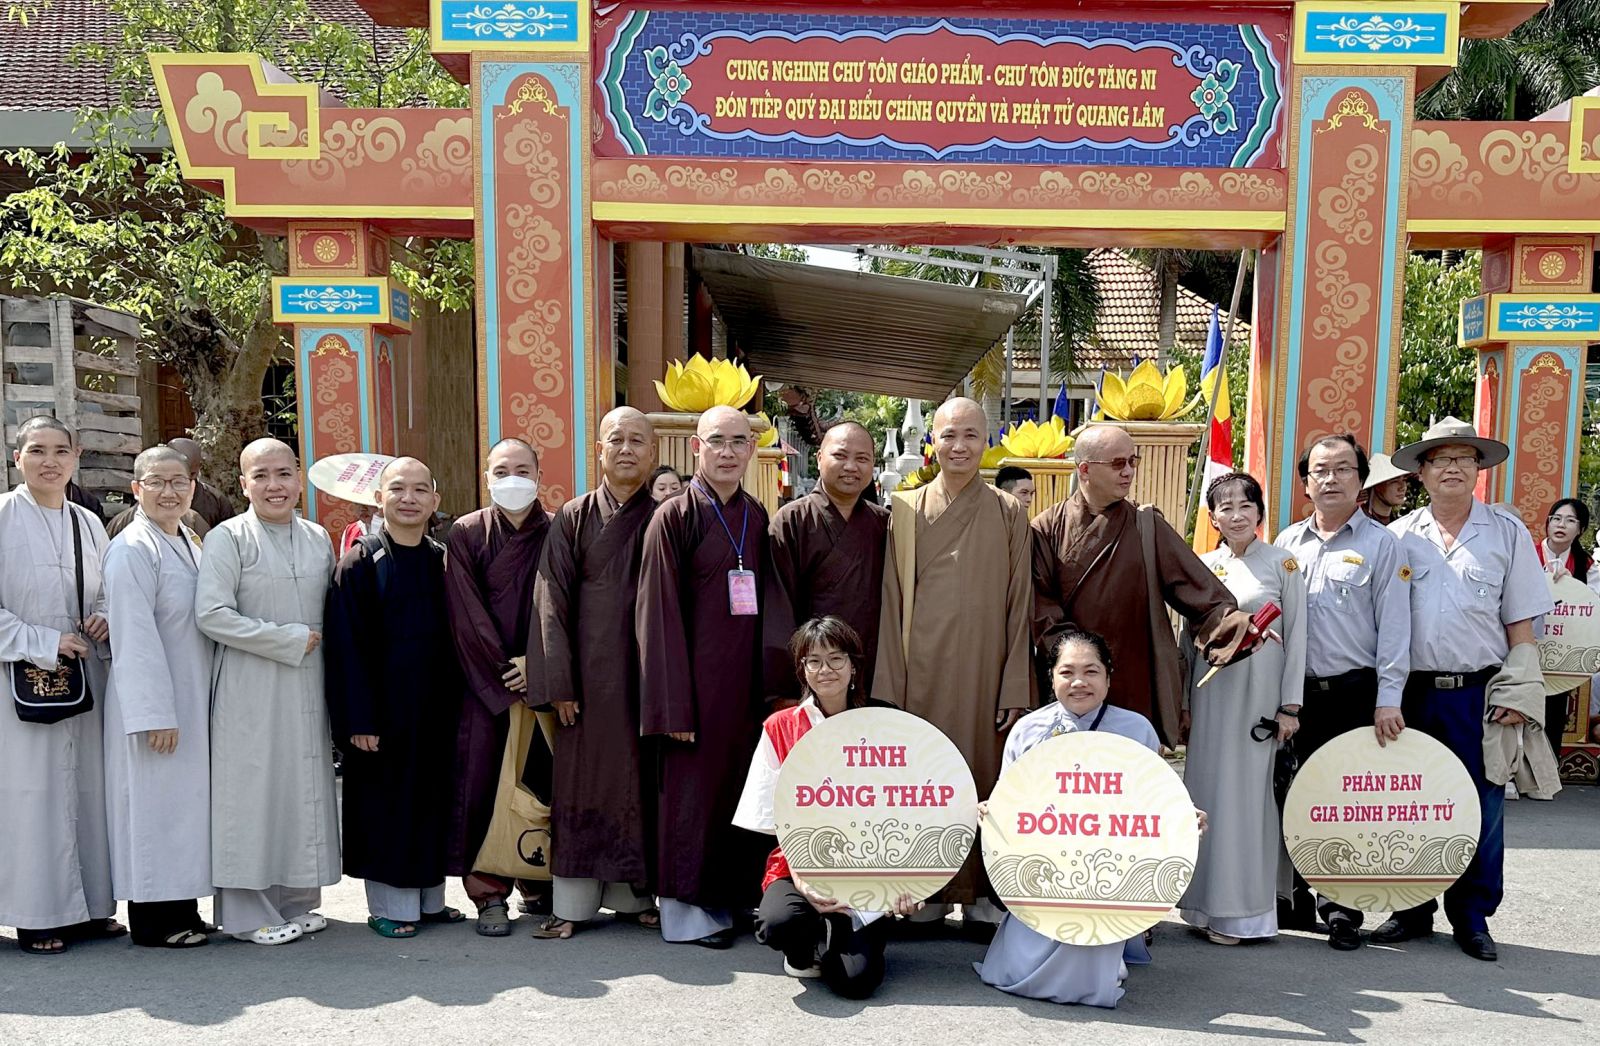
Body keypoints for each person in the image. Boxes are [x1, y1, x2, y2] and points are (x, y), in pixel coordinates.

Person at [1376, 418, 1553, 962]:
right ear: (1421, 471)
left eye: (1464, 458)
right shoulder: (1399, 538)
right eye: (1441, 459)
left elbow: (1521, 624)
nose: (1452, 467)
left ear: (1478, 469)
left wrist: (1518, 694)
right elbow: (1382, 624)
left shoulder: (1506, 533)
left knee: (1482, 803)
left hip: (1480, 693)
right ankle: (1410, 909)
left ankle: (1472, 916)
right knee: (1409, 802)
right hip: (1411, 693)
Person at [977, 629, 1203, 1007]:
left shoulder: (1136, 730)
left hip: (1109, 859)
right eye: (1067, 672)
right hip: (1044, 857)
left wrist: (1181, 815)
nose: (1079, 682)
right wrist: (992, 809)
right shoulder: (1028, 730)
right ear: (1052, 678)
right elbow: (1008, 795)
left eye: (1091, 671)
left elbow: (1152, 801)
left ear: (1108, 678)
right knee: (1017, 968)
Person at [874, 397, 1032, 919]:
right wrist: (890, 688)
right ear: (932, 442)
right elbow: (892, 599)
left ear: (987, 441)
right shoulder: (905, 509)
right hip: (921, 672)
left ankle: (983, 893)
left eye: (970, 435)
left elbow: (1020, 603)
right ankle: (925, 891)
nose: (959, 446)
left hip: (986, 671)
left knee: (983, 777)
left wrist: (1014, 685)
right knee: (925, 780)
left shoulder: (1009, 512)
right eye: (948, 435)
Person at [637, 405, 772, 947]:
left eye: (739, 442)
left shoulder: (755, 514)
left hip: (742, 689)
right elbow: (656, 614)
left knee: (739, 794)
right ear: (696, 447)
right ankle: (688, 913)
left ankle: (732, 900)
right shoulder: (673, 517)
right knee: (691, 800)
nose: (728, 452)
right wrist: (672, 703)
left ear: (751, 450)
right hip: (692, 690)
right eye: (717, 441)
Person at [196, 438, 338, 946]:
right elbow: (211, 614)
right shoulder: (227, 538)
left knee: (300, 788)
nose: (273, 485)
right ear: (243, 484)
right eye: (260, 476)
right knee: (251, 794)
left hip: (308, 684)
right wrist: (288, 639)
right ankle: (245, 914)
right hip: (250, 686)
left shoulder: (318, 537)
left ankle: (295, 902)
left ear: (299, 479)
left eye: (283, 474)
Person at [1272, 433, 1411, 949]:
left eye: (1343, 469)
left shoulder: (1382, 544)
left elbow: (1395, 628)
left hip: (1353, 692)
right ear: (1306, 483)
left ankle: (1342, 908)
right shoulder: (1287, 544)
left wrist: (1388, 698)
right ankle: (1292, 897)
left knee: (1344, 802)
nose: (1331, 479)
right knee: (1291, 796)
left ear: (1361, 480)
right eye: (1320, 471)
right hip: (1293, 695)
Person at [1031, 423, 1253, 747]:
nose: (1128, 471)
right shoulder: (1046, 529)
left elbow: (1198, 590)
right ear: (1085, 469)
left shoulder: (1145, 526)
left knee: (1130, 769)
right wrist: (1079, 658)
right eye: (1118, 463)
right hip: (1070, 681)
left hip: (1132, 678)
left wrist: (1235, 626)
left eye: (1132, 461)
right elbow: (1039, 605)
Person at [735, 616, 923, 997]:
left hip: (869, 868)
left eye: (836, 658)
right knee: (779, 923)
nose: (826, 670)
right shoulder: (780, 727)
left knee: (856, 981)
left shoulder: (886, 722)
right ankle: (802, 950)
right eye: (814, 661)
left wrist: (911, 879)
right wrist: (804, 880)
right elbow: (771, 815)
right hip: (799, 863)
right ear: (802, 670)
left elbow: (910, 805)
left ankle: (845, 940)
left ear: (853, 666)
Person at [527, 407, 660, 939]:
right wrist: (559, 683)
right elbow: (550, 600)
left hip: (646, 677)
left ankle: (634, 898)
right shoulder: (573, 516)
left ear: (653, 451)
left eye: (637, 441)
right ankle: (573, 904)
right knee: (581, 787)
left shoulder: (664, 516)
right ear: (599, 450)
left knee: (639, 786)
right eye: (616, 440)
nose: (626, 449)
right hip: (585, 682)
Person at [324, 457, 466, 938]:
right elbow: (345, 648)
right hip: (381, 716)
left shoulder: (441, 557)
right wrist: (358, 719)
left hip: (434, 711)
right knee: (387, 807)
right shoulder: (361, 561)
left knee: (430, 802)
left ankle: (430, 901)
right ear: (378, 498)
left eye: (420, 490)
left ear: (435, 501)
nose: (409, 498)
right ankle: (387, 906)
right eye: (398, 488)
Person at [0, 416, 118, 955]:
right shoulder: (3, 516)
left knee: (88, 791)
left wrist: (104, 616)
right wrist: (41, 640)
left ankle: (89, 908)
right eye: (37, 450)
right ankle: (36, 914)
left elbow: (107, 588)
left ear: (76, 457)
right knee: (32, 795)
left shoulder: (87, 522)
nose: (50, 461)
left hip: (85, 674)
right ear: (17, 457)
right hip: (18, 676)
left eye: (60, 451)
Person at [1178, 472, 1307, 945]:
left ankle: (1242, 913)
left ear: (1260, 512)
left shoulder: (1283, 564)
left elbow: (1298, 636)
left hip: (1259, 700)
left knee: (1248, 802)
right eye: (1225, 507)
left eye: (1245, 505)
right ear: (1212, 518)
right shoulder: (1201, 566)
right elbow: (1187, 640)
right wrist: (1185, 703)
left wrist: (1289, 706)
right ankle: (1201, 905)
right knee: (1207, 794)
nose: (1236, 515)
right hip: (1210, 697)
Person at [102, 446, 214, 948]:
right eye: (157, 482)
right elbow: (134, 638)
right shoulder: (132, 548)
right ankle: (154, 920)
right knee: (153, 809)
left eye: (178, 482)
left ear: (192, 487)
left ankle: (183, 908)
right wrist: (154, 714)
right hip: (154, 704)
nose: (169, 492)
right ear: (136, 489)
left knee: (182, 808)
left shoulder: (188, 539)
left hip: (189, 693)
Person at [445, 437, 553, 936]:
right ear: (486, 476)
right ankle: (488, 894)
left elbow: (565, 604)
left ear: (539, 474)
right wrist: (504, 673)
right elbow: (464, 610)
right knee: (483, 784)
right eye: (502, 470)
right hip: (484, 684)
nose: (513, 479)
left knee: (541, 783)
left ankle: (537, 881)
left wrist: (538, 664)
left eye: (522, 470)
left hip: (543, 680)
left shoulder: (557, 530)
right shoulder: (466, 532)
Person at [764, 421, 889, 705]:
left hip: (870, 672)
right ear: (820, 458)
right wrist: (783, 689)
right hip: (810, 673)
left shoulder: (883, 524)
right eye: (840, 456)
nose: (851, 466)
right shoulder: (791, 521)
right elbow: (777, 609)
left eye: (862, 458)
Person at [1537, 497, 1597, 757]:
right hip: (1527, 646)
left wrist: (1574, 589)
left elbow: (1594, 606)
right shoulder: (1527, 555)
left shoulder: (1587, 566)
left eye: (1570, 520)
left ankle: (1547, 769)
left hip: (1563, 654)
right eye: (1556, 519)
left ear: (1580, 529)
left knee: (1554, 712)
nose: (1561, 525)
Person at [170, 436, 237, 530]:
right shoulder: (154, 497)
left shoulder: (217, 501)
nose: (184, 480)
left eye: (191, 474)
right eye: (177, 474)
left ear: (199, 467)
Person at [1361, 453, 1412, 526]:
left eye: (1404, 480)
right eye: (1394, 481)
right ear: (1377, 486)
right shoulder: (1358, 521)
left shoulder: (1399, 525)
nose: (1403, 487)